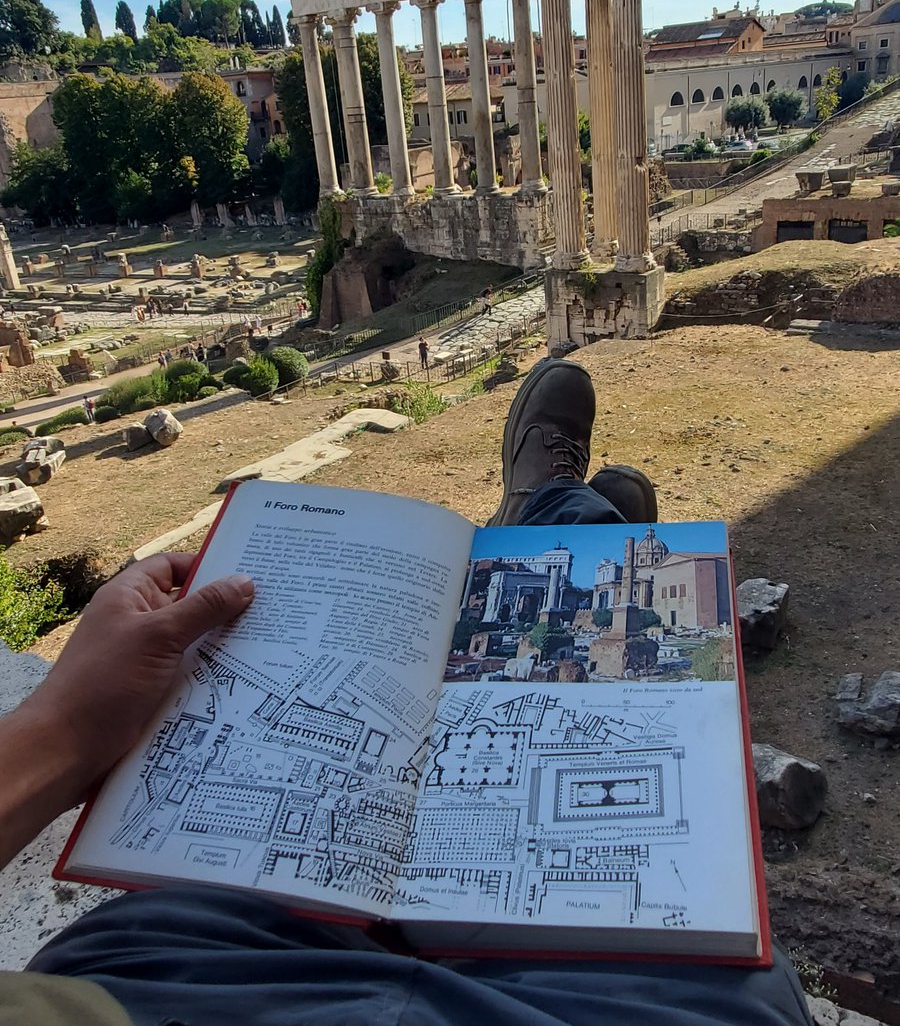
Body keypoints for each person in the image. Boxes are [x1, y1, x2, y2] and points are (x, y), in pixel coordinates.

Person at [0, 361, 813, 1026]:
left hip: (165, 978)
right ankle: (559, 520)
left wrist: (67, 729)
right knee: (727, 971)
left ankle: (555, 522)